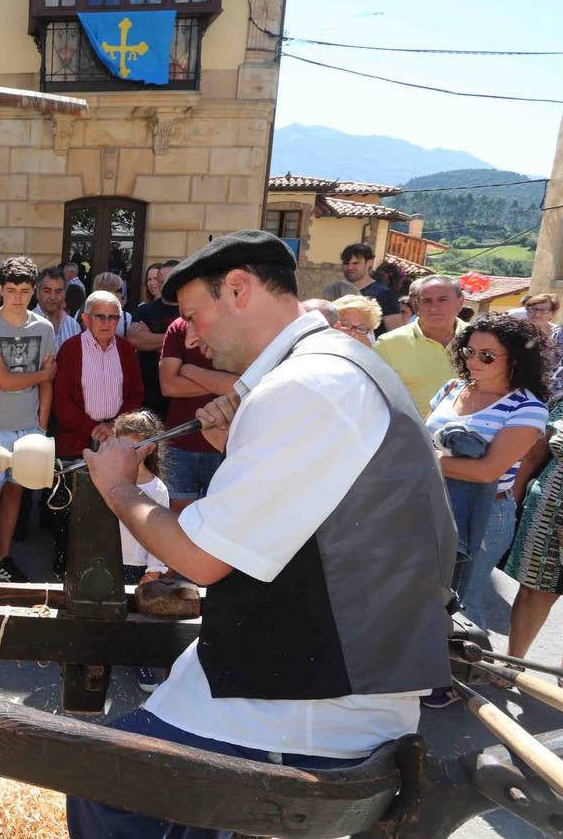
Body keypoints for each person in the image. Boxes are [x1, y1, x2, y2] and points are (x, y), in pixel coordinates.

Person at [69, 230, 455, 837]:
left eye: (195, 315)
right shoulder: (334, 365)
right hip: (317, 669)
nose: (192, 337)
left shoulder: (304, 387)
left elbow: (199, 559)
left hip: (306, 705)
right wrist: (235, 444)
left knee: (105, 779)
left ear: (240, 289)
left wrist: (119, 487)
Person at [425, 315, 547, 638]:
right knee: (425, 591)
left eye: (487, 356)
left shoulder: (527, 408)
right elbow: (424, 436)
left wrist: (427, 461)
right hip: (436, 503)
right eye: (468, 351)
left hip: (487, 514)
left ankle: (466, 675)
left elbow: (488, 471)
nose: (474, 360)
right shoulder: (453, 388)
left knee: (463, 601)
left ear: (516, 360)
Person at [0, 256, 55, 583]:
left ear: (32, 290)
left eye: (24, 290)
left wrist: (42, 427)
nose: (18, 297)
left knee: (15, 497)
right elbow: (4, 381)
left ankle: (1, 559)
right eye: (11, 290)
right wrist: (43, 373)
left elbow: (48, 383)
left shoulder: (43, 327)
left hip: (29, 429)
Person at [51, 289, 145, 578]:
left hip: (116, 436)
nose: (107, 323)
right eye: (100, 317)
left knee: (110, 503)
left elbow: (136, 393)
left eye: (113, 317)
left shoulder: (126, 349)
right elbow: (61, 401)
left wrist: (115, 425)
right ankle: (63, 566)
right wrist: (91, 427)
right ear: (86, 319)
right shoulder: (70, 349)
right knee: (69, 505)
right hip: (76, 437)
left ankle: (102, 564)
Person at [500, 390, 563, 685]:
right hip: (547, 508)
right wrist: (512, 502)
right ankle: (511, 665)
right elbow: (533, 454)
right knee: (534, 589)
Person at [111, 409, 171, 693]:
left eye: (133, 446)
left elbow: (161, 534)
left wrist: (154, 568)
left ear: (149, 447)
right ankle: (99, 656)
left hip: (138, 564)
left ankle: (140, 660)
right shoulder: (108, 480)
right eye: (121, 445)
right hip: (109, 558)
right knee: (106, 610)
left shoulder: (157, 489)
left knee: (138, 616)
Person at [159, 311, 236, 512]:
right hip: (181, 441)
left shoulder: (235, 328)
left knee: (217, 513)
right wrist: (219, 382)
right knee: (177, 512)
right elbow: (168, 385)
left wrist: (188, 370)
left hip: (223, 443)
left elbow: (238, 386)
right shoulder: (178, 328)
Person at [376, 275, 468, 418]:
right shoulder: (389, 344)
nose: (434, 307)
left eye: (442, 300)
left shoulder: (478, 340)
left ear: (460, 302)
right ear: (417, 305)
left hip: (470, 435)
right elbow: (375, 397)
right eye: (427, 301)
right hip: (411, 436)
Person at [129, 260, 179, 419]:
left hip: (181, 392)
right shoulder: (145, 310)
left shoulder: (192, 310)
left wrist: (154, 340)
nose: (168, 285)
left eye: (172, 280)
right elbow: (135, 340)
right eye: (163, 281)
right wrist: (175, 340)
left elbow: (196, 342)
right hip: (148, 392)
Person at [340, 243, 402, 335]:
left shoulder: (385, 294)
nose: (350, 267)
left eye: (355, 263)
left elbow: (395, 334)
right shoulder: (340, 292)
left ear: (369, 263)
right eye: (346, 263)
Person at [33, 267, 82, 352]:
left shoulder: (73, 326)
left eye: (58, 292)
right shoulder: (27, 324)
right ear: (38, 292)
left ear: (65, 293)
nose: (53, 297)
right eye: (47, 291)